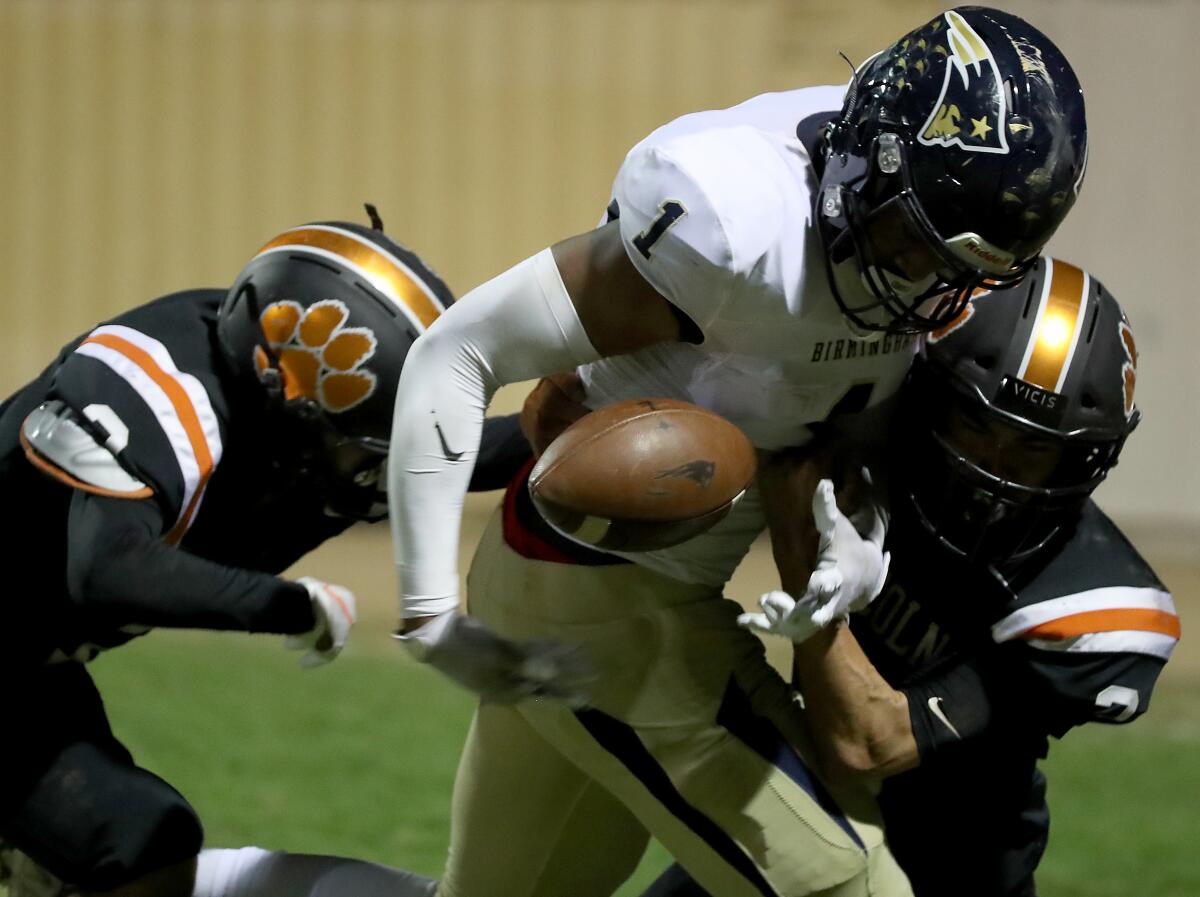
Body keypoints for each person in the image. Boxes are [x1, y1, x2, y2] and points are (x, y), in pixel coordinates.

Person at [387, 7, 1089, 897]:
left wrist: (849, 548)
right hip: (594, 589)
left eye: (955, 269)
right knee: (852, 885)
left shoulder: (930, 253)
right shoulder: (728, 221)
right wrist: (426, 611)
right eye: (912, 242)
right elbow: (458, 352)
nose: (923, 284)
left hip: (622, 593)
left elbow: (838, 435)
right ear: (869, 155)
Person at [0, 211, 534, 897]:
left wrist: (590, 408)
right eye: (360, 438)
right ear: (286, 394)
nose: (377, 461)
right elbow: (107, 568)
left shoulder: (289, 429)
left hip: (26, 668)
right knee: (135, 840)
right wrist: (284, 604)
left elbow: (461, 455)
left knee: (142, 847)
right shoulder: (159, 389)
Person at [643, 257, 1179, 897]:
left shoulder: (1089, 604)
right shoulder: (871, 429)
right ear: (930, 394)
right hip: (797, 818)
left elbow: (868, 743)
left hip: (946, 875)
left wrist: (798, 544)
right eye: (976, 426)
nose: (993, 469)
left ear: (1086, 455)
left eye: (1033, 448)